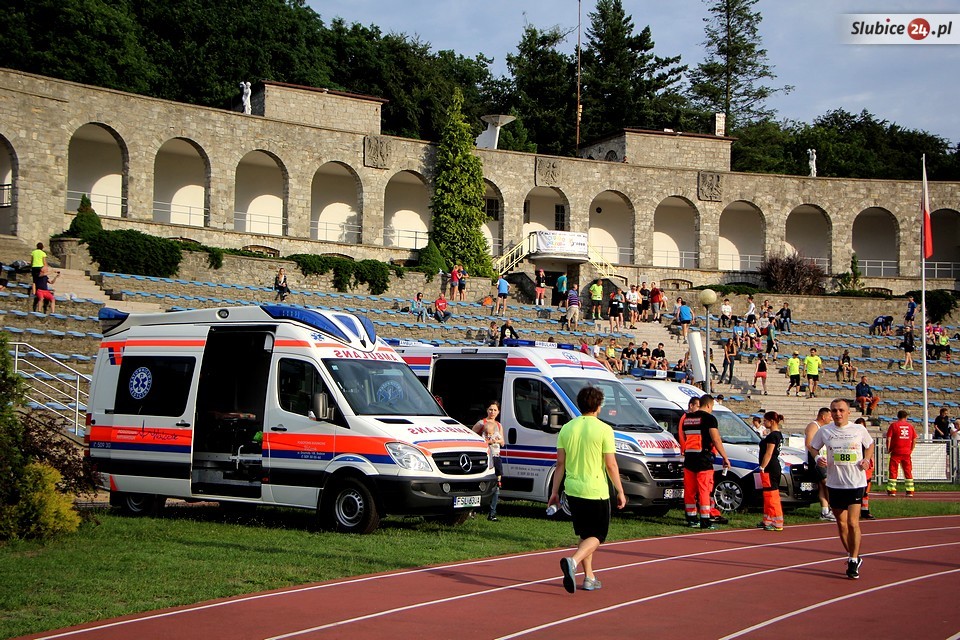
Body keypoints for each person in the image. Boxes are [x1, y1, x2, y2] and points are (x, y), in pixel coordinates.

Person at [548, 386, 626, 594]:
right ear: (599, 406)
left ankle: (589, 577)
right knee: (598, 535)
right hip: (595, 489)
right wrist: (620, 490)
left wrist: (554, 492)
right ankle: (572, 562)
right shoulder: (604, 429)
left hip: (573, 489)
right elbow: (611, 464)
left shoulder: (567, 428)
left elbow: (560, 463)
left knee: (585, 534)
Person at [808, 398, 875, 580]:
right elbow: (813, 447)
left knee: (853, 523)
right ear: (830, 413)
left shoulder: (858, 429)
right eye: (834, 410)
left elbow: (870, 445)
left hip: (855, 482)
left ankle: (852, 561)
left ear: (848, 412)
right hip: (835, 483)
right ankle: (853, 554)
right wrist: (817, 458)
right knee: (841, 523)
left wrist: (866, 459)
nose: (838, 413)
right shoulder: (825, 431)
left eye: (841, 410)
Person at [679, 394, 731, 529]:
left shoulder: (687, 419)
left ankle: (691, 518)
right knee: (704, 490)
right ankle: (705, 519)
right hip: (703, 459)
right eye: (712, 406)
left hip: (689, 458)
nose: (712, 409)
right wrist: (724, 457)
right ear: (708, 405)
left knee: (690, 490)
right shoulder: (709, 419)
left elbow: (684, 436)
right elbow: (716, 439)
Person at [473, 401, 504, 521]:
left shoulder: (499, 425)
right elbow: (472, 438)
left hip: (496, 456)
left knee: (496, 485)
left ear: (498, 412)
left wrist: (497, 441)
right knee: (480, 483)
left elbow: (503, 442)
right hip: (484, 457)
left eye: (495, 410)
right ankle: (472, 510)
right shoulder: (481, 423)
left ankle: (492, 513)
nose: (492, 412)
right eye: (491, 409)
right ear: (487, 410)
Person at [805, 407, 835, 522]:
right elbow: (809, 444)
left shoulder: (825, 428)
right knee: (828, 484)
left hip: (825, 460)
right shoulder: (813, 426)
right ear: (823, 417)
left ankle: (825, 511)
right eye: (829, 416)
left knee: (822, 485)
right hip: (817, 461)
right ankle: (833, 509)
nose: (831, 419)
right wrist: (817, 457)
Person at [757, 411, 785, 531]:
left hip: (770, 467)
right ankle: (767, 519)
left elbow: (769, 453)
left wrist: (762, 467)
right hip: (773, 466)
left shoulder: (773, 436)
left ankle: (777, 522)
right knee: (768, 494)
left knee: (771, 495)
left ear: (772, 421)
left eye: (765, 421)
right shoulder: (778, 435)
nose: (764, 423)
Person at [885, 410, 918, 497]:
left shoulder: (894, 425)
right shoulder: (910, 426)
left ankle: (892, 490)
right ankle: (910, 491)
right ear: (906, 417)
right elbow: (914, 439)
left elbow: (889, 438)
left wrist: (888, 449)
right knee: (908, 471)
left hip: (896, 451)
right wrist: (911, 449)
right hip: (906, 452)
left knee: (893, 470)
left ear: (898, 416)